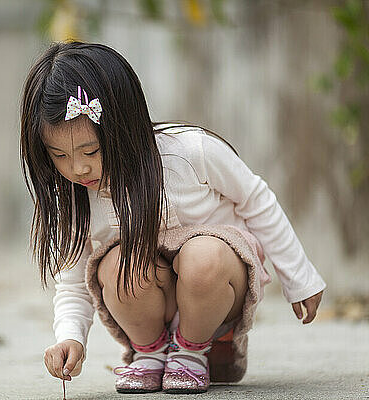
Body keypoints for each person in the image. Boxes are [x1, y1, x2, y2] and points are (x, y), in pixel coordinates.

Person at [19, 41, 326, 394]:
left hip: (217, 285)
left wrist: (298, 277)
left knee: (203, 256)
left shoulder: (190, 153)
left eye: (91, 150)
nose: (79, 167)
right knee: (120, 264)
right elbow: (72, 283)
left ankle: (195, 349)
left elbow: (256, 200)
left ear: (123, 127)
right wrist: (70, 338)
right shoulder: (74, 197)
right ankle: (150, 352)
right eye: (59, 155)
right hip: (151, 303)